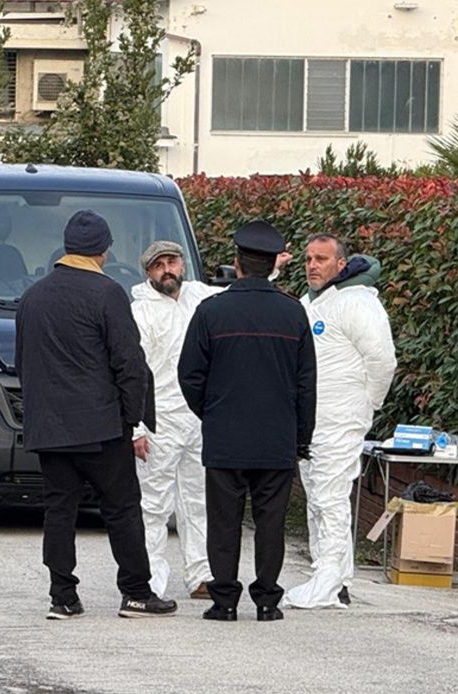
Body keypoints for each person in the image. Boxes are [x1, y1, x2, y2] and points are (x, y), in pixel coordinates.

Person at [16, 210, 176, 620]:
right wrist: (132, 420)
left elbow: (23, 363)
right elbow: (129, 363)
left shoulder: (33, 296)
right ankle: (137, 592)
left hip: (49, 427)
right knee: (122, 509)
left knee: (59, 511)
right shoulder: (107, 294)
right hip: (101, 426)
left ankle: (62, 597)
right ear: (104, 250)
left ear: (66, 247)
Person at [178, 220, 317, 622]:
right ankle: (268, 601)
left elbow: (189, 375)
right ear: (274, 264)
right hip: (276, 438)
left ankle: (224, 601)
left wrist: (212, 412)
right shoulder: (293, 313)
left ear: (237, 263)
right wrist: (300, 436)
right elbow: (307, 383)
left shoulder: (211, 310)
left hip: (225, 437)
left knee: (224, 522)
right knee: (270, 523)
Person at [284, 234, 396, 609]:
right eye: (308, 259)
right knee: (317, 496)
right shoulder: (310, 302)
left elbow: (382, 361)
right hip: (310, 422)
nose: (313, 265)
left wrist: (367, 405)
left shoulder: (358, 303)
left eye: (321, 259)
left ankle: (329, 581)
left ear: (341, 264)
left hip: (341, 419)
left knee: (330, 497)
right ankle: (332, 576)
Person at [130, 241, 218, 600]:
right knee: (154, 504)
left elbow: (237, 294)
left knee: (197, 500)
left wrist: (270, 269)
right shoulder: (140, 312)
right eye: (159, 265)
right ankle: (149, 579)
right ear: (148, 272)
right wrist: (135, 427)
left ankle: (202, 574)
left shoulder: (199, 296)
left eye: (172, 262)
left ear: (183, 264)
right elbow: (133, 374)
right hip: (159, 419)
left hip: (198, 417)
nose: (167, 270)